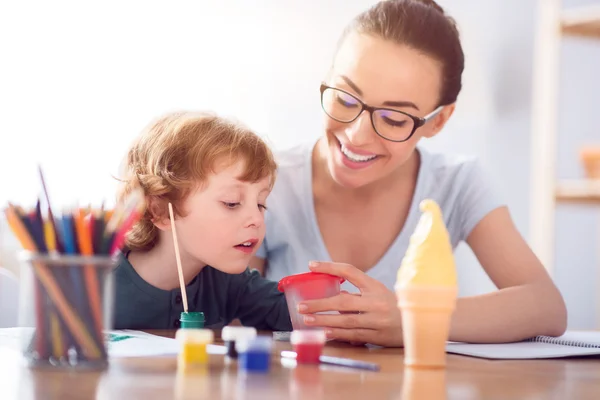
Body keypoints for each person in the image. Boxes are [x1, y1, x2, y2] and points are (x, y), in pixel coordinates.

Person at [251, 0, 567, 346]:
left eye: (393, 119)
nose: (357, 134)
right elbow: (231, 311)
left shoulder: (456, 184)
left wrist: (413, 319)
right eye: (345, 98)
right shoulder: (267, 182)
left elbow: (546, 307)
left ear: (439, 121)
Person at [113, 111, 291, 331]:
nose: (256, 219)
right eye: (232, 203)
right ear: (160, 211)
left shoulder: (228, 282)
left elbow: (296, 313)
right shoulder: (96, 283)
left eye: (261, 203)